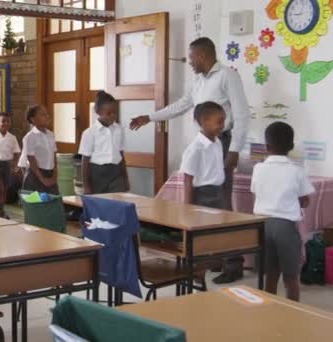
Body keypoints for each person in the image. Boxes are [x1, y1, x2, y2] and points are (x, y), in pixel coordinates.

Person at [130, 37, 250, 284]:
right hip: (205, 142)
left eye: (192, 57)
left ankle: (233, 262)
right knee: (207, 206)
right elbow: (183, 105)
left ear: (203, 55)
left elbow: (241, 113)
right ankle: (212, 257)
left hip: (223, 143)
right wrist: (149, 117)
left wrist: (235, 149)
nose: (191, 62)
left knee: (223, 204)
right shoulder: (198, 81)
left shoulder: (228, 75)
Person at [251, 122, 314, 302]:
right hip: (285, 226)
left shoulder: (258, 169)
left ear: (266, 146)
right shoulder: (296, 170)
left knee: (270, 273)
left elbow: (255, 192)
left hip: (262, 225)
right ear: (292, 147)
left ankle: (269, 307)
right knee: (291, 276)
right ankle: (293, 309)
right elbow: (305, 200)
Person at [78, 91, 129, 194]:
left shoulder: (119, 130)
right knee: (101, 205)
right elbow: (85, 161)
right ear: (98, 112)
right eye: (109, 113)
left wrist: (125, 179)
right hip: (97, 175)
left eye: (115, 112)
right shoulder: (89, 133)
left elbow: (121, 155)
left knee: (117, 203)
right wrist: (86, 186)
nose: (113, 116)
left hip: (116, 173)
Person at [180, 102, 225, 208]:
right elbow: (188, 179)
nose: (223, 126)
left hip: (218, 192)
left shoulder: (218, 143)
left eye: (224, 121)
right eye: (219, 122)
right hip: (202, 195)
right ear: (204, 122)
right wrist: (187, 208)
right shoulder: (195, 148)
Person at [18, 105, 59, 194]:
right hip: (35, 175)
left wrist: (54, 176)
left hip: (50, 174)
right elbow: (31, 160)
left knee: (54, 203)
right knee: (37, 205)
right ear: (33, 119)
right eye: (43, 114)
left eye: (46, 114)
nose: (47, 116)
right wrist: (43, 179)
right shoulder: (30, 137)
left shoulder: (51, 135)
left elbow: (54, 156)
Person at [0, 112, 21, 218]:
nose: (5, 123)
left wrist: (15, 165)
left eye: (8, 121)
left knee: (5, 188)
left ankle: (2, 210)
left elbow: (16, 153)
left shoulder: (12, 137)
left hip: (7, 165)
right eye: (3, 121)